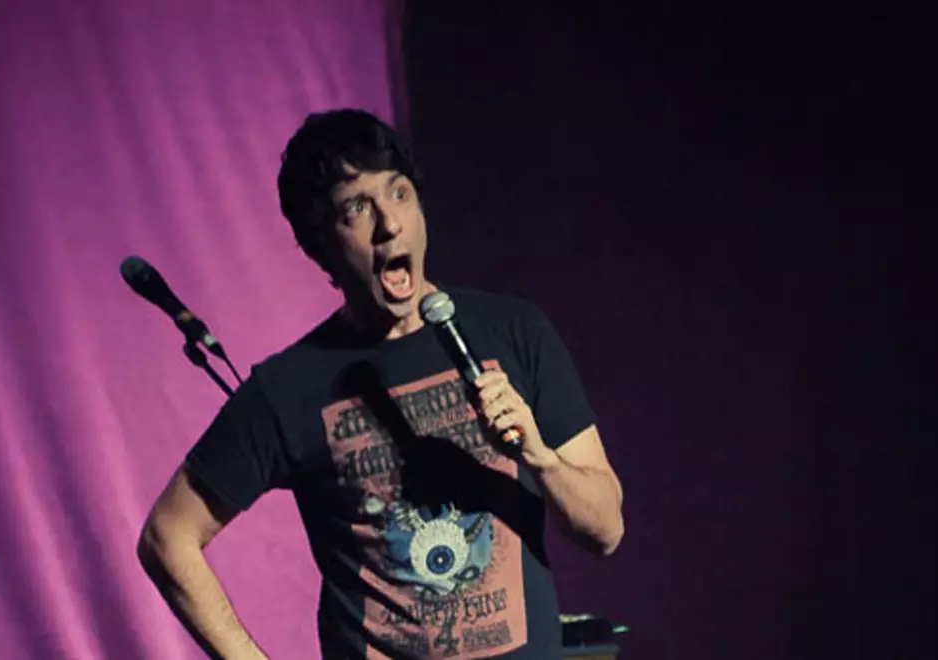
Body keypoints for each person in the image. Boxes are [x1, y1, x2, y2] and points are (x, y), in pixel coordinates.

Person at [136, 109, 625, 660]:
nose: (390, 224)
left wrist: (541, 457)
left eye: (399, 193)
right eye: (357, 207)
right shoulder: (289, 387)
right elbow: (167, 537)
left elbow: (605, 530)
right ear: (320, 244)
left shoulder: (514, 331)